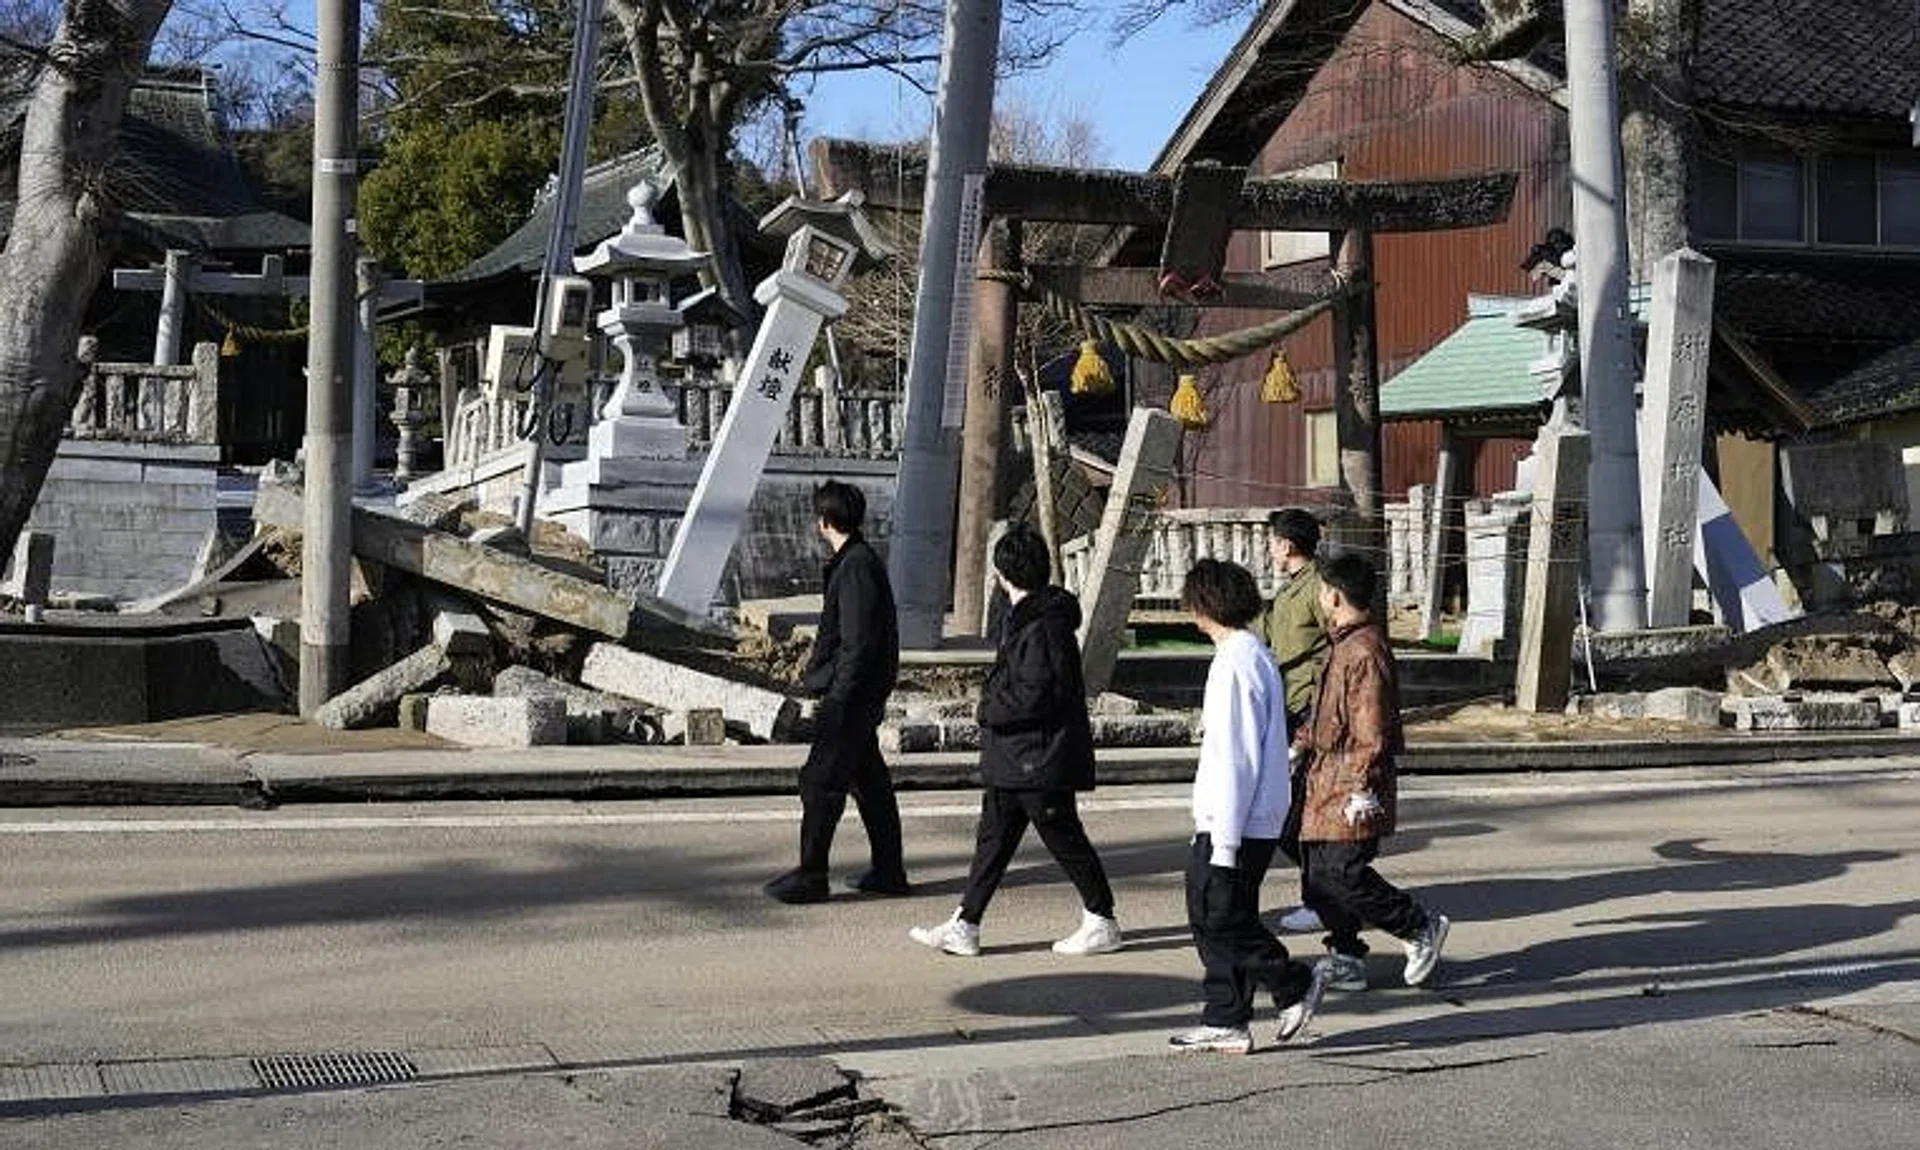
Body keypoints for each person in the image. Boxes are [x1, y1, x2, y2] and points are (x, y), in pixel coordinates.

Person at [908, 524, 1123, 958]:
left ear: (1002, 575)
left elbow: (1037, 693)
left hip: (1037, 756)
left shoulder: (1041, 625)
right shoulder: (1034, 618)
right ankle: (966, 922)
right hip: (1019, 757)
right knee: (993, 840)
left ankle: (1101, 919)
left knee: (1063, 837)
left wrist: (987, 708)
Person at [1170, 558, 1327, 1055]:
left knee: (1220, 915)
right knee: (1216, 912)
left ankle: (1292, 983)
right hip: (1244, 815)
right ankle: (1226, 1017)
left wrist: (1225, 839)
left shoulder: (1235, 662)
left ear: (1203, 607)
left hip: (1234, 819)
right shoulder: (1251, 654)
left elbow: (1235, 755)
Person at [1294, 553, 1449, 992]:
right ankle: (1346, 954)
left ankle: (1418, 926)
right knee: (1318, 874)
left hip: (1350, 782)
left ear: (1335, 595)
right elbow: (1329, 713)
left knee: (1343, 871)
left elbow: (1371, 726)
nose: (1321, 596)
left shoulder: (1362, 650)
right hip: (1325, 776)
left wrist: (1361, 786)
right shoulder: (1343, 644)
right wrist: (1300, 743)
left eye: (1323, 589)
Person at [764, 480, 910, 905]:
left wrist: (839, 695)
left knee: (820, 781)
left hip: (852, 696)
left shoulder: (856, 566)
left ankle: (812, 873)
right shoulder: (856, 562)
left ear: (824, 521)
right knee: (869, 783)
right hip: (857, 693)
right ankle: (889, 870)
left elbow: (859, 642)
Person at [1259, 507, 1332, 935]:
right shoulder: (1294, 588)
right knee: (1292, 814)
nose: (1270, 549)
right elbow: (1273, 632)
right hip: (1291, 704)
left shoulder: (1317, 587)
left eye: (1272, 541)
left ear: (1287, 545)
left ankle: (1321, 899)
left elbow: (1334, 644)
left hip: (1308, 708)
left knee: (1299, 815)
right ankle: (1322, 895)